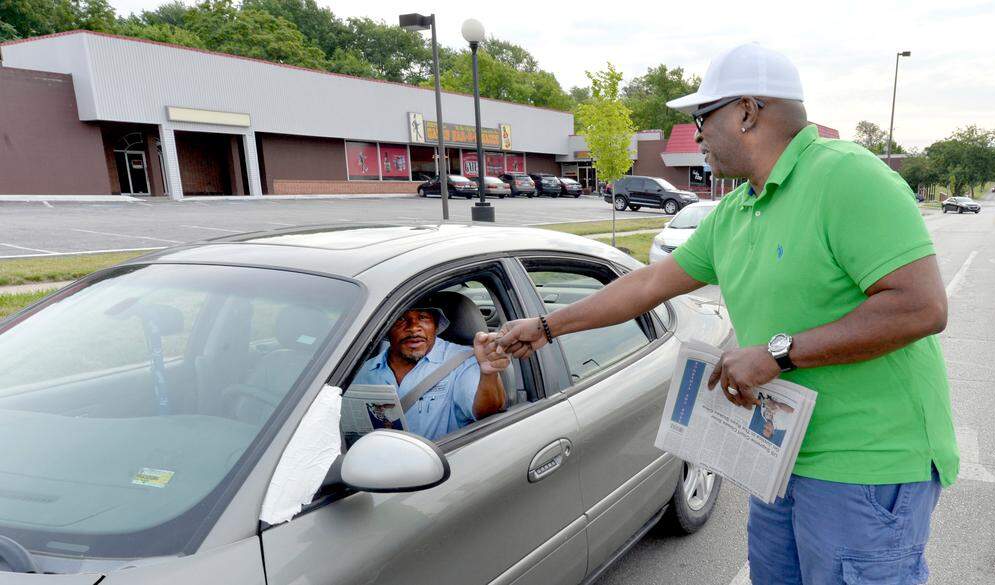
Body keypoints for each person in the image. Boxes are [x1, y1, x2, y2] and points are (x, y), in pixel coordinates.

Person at [495, 42, 958, 585]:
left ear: (746, 111)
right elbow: (646, 284)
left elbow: (921, 306)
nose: (696, 135)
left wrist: (777, 355)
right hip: (780, 457)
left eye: (701, 118)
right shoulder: (736, 210)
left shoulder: (847, 176)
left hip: (865, 468)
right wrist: (546, 327)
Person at [354, 302, 509, 441]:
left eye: (423, 317)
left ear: (435, 326)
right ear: (386, 329)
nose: (413, 327)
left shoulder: (463, 361)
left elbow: (486, 413)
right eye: (400, 319)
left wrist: (489, 373)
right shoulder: (362, 371)